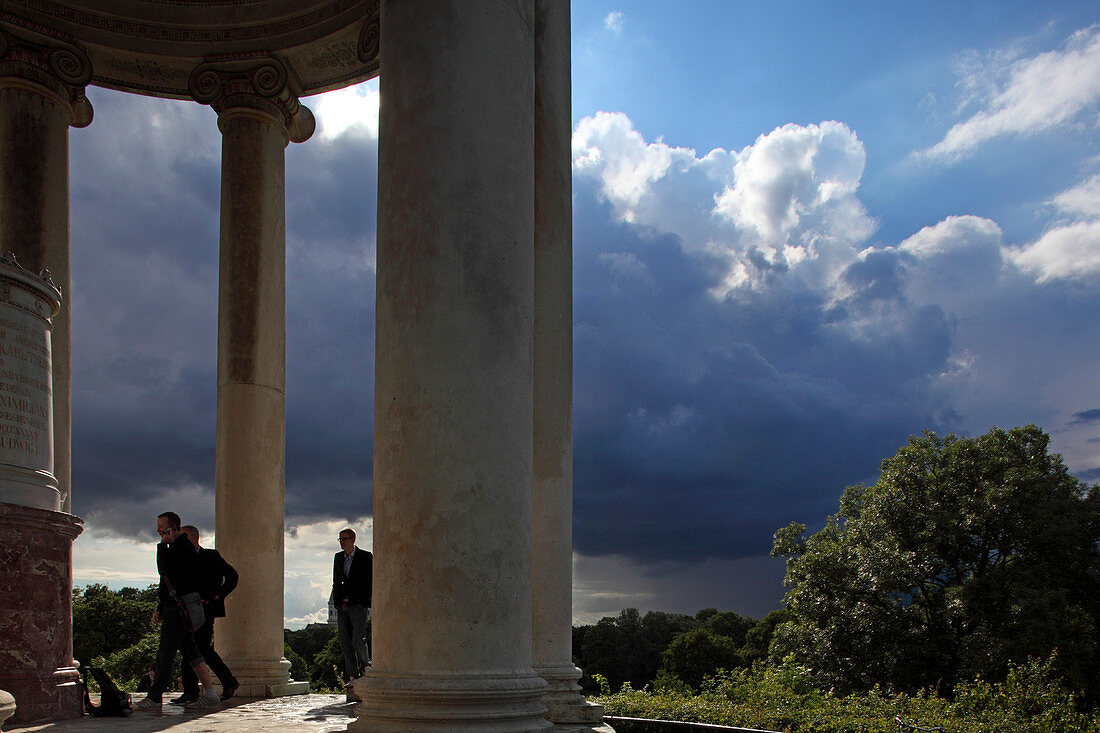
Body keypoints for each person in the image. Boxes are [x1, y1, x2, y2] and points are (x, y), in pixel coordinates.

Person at [135, 511, 222, 709]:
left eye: (162, 528)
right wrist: (160, 607)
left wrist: (161, 546)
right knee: (191, 651)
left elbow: (163, 571)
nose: (159, 532)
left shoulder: (181, 549)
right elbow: (166, 582)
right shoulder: (178, 547)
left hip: (178, 609)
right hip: (176, 607)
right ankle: (210, 693)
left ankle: (155, 697)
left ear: (173, 528)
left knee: (165, 652)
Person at [172, 526, 240, 705]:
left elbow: (232, 576)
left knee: (200, 647)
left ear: (194, 537)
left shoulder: (211, 556)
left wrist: (218, 595)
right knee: (190, 648)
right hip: (186, 611)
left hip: (205, 610)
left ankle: (225, 682)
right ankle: (191, 691)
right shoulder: (180, 559)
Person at [332, 527, 372, 681]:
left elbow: (368, 581)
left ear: (353, 540)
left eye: (344, 539)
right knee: (345, 642)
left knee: (357, 639)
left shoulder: (365, 557)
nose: (341, 542)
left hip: (358, 605)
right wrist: (339, 603)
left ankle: (366, 666)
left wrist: (363, 602)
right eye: (340, 539)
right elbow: (336, 581)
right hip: (343, 606)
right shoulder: (338, 557)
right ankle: (353, 675)